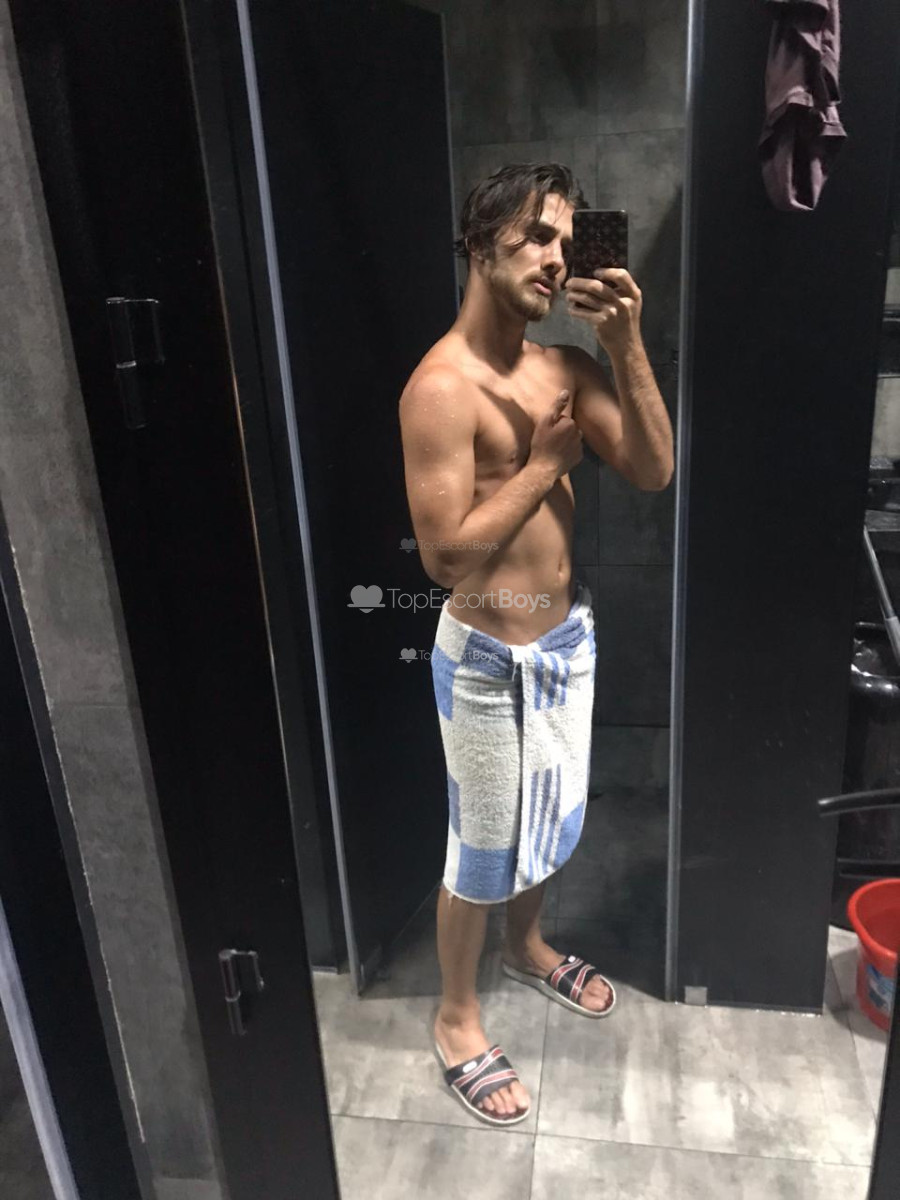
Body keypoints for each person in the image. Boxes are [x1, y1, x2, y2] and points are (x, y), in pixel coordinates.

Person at [398, 163, 674, 1125]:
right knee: (481, 846)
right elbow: (445, 559)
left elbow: (652, 467)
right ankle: (456, 1016)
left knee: (551, 815)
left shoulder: (566, 368)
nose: (557, 258)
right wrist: (545, 465)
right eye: (536, 236)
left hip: (563, 644)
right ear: (481, 244)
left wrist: (624, 342)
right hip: (483, 659)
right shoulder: (440, 388)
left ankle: (527, 947)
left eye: (566, 239)